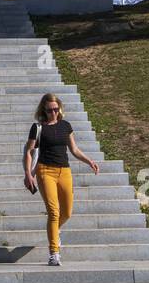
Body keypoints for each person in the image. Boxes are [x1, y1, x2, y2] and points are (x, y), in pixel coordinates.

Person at [23, 92, 99, 265]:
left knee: (67, 212)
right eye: (50, 110)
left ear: (60, 108)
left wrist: (89, 161)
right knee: (54, 212)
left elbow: (74, 149)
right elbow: (29, 151)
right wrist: (28, 173)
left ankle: (55, 232)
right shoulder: (38, 127)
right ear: (44, 109)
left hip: (64, 170)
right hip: (45, 171)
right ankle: (54, 253)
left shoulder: (66, 126)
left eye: (56, 109)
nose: (53, 113)